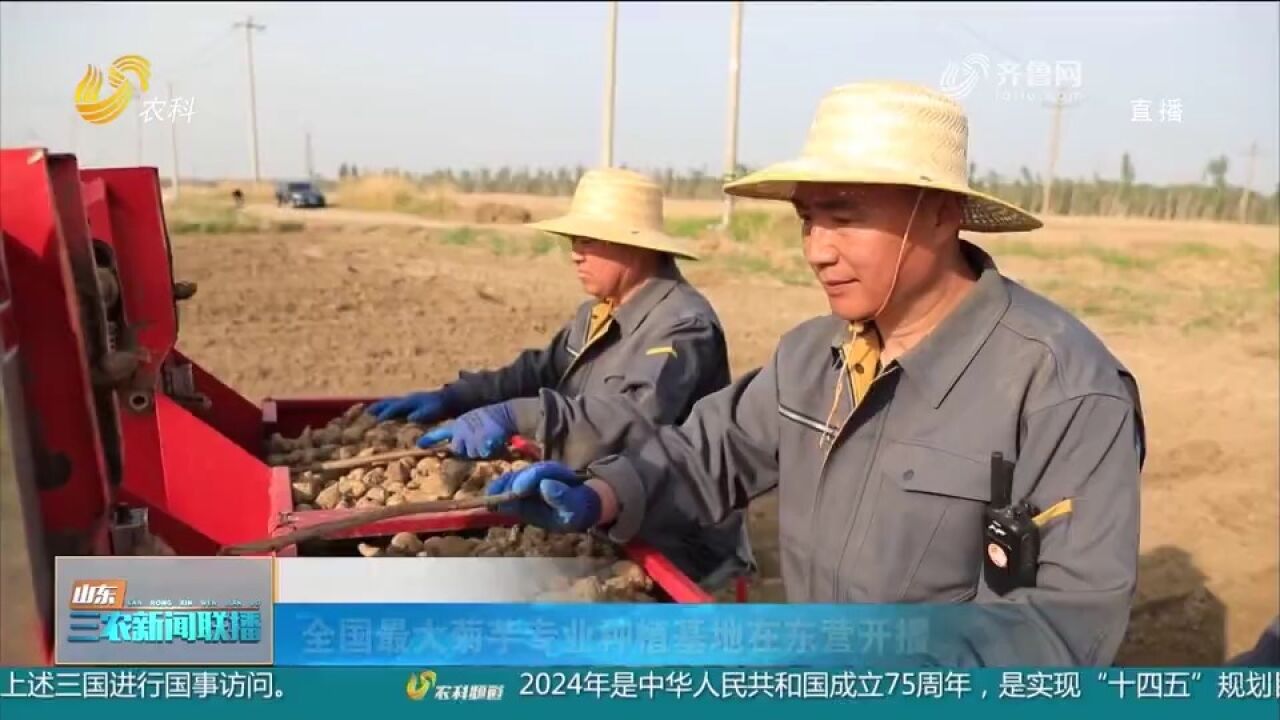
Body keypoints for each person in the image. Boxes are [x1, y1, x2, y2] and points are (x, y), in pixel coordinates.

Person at [484, 82, 1148, 665]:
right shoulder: (812, 357)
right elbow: (705, 455)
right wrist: (602, 493)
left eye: (845, 217)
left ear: (943, 214)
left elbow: (1058, 630)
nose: (817, 251)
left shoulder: (1062, 390)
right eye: (808, 220)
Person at [370, 167, 755, 590]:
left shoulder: (682, 326)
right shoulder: (599, 313)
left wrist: (513, 417)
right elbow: (539, 370)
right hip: (600, 496)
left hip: (671, 528)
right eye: (573, 242)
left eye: (588, 241)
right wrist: (459, 396)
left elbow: (628, 418)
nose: (575, 254)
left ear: (635, 246)